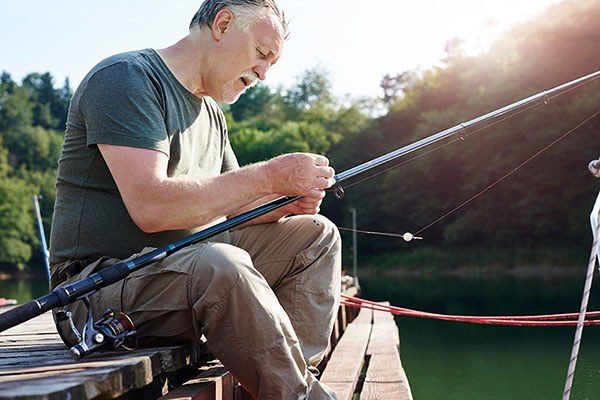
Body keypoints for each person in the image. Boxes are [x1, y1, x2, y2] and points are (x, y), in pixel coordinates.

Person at [48, 0, 341, 398]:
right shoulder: (126, 79)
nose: (264, 73)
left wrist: (284, 201)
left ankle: (288, 379)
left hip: (186, 265)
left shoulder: (212, 113)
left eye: (271, 62)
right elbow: (151, 208)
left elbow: (234, 208)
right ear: (222, 24)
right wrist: (268, 174)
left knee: (315, 235)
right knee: (222, 263)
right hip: (95, 287)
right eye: (261, 53)